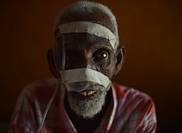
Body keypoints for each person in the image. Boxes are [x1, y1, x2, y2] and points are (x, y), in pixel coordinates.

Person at [9, 1, 157, 133]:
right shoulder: (34, 100)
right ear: (54, 64)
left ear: (117, 60)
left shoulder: (139, 109)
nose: (87, 76)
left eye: (101, 55)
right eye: (71, 57)